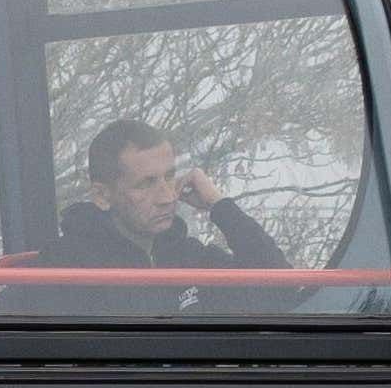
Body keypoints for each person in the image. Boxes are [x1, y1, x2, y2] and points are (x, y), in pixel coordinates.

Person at [54, 118, 286, 287]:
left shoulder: (188, 257)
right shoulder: (65, 271)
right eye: (146, 184)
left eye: (169, 177)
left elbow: (280, 289)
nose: (167, 197)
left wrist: (220, 206)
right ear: (102, 196)